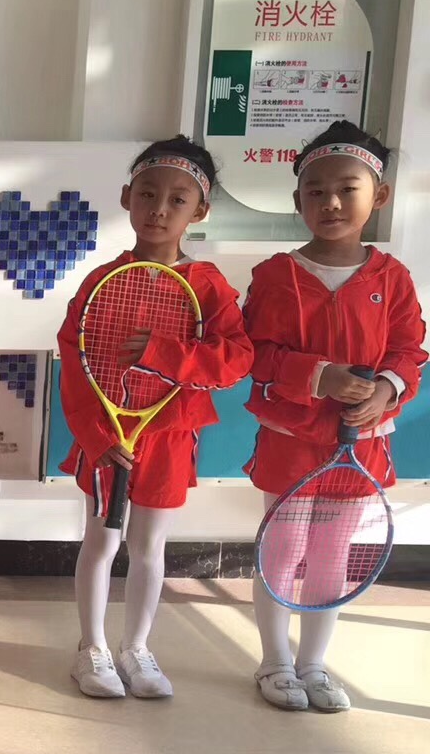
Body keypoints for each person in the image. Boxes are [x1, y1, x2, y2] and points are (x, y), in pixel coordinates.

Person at [57, 137, 251, 699]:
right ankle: (92, 647)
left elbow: (236, 360)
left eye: (177, 200)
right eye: (147, 194)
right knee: (101, 542)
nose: (159, 209)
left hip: (169, 436)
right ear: (127, 197)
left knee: (148, 547)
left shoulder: (209, 285)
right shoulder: (100, 280)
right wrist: (95, 435)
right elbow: (75, 359)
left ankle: (137, 647)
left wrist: (164, 353)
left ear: (200, 210)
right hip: (106, 439)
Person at [244, 121, 426, 712]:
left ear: (380, 196)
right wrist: (317, 375)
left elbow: (409, 350)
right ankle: (274, 662)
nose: (331, 203)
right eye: (316, 191)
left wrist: (388, 389)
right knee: (282, 549)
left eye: (348, 189)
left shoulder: (392, 278)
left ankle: (313, 664)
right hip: (291, 440)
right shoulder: (275, 275)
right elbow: (255, 354)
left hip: (360, 444)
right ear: (297, 200)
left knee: (332, 554)